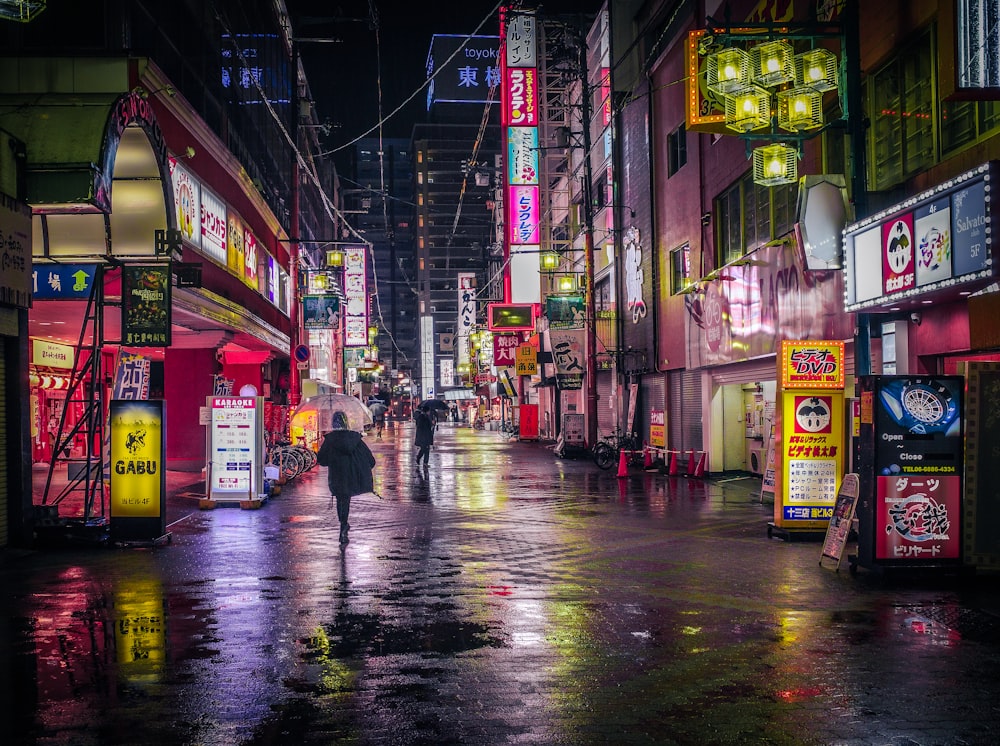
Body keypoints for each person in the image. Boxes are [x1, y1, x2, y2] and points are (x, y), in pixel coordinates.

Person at [316, 410, 376, 545]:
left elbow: (322, 461)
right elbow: (371, 460)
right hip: (351, 476)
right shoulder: (355, 438)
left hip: (336, 476)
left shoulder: (330, 440)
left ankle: (343, 524)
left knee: (340, 499)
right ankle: (344, 525)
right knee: (346, 499)